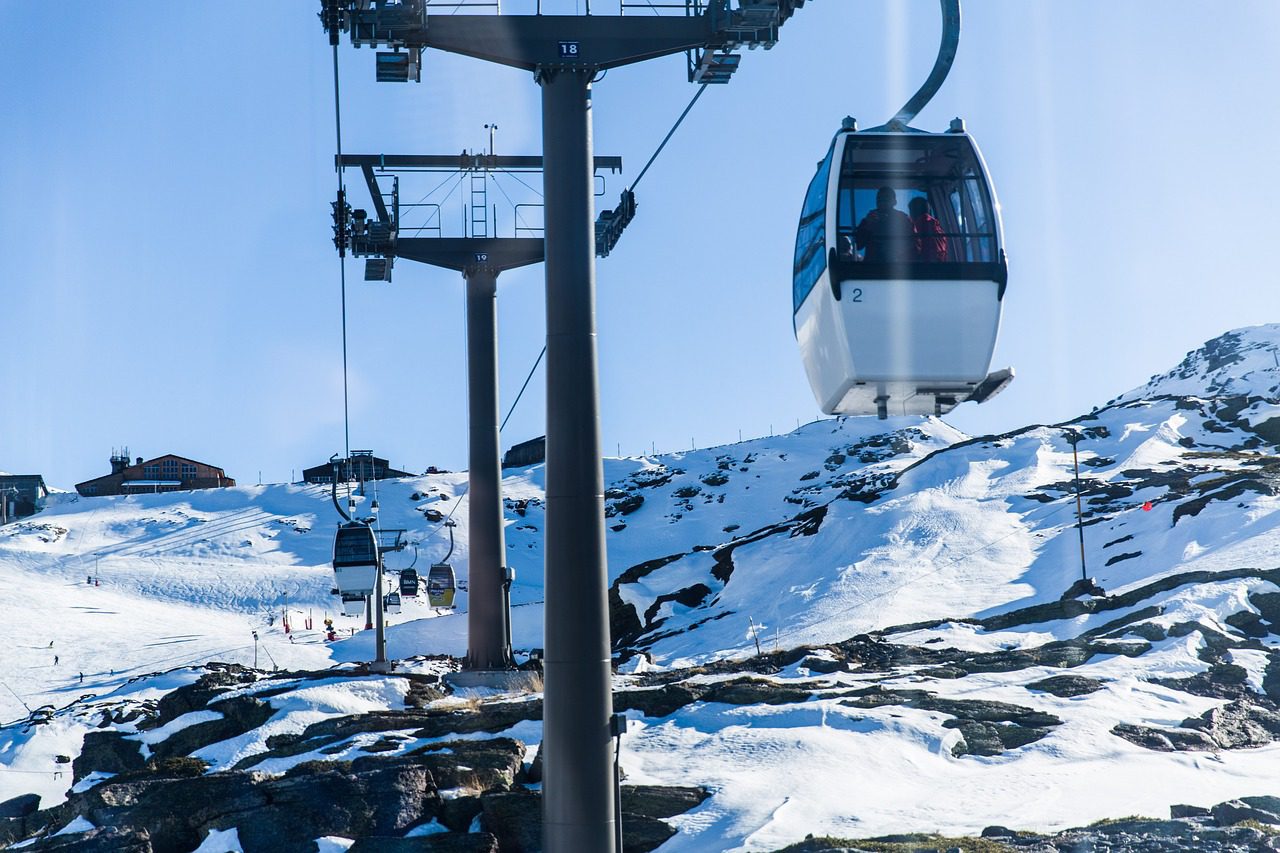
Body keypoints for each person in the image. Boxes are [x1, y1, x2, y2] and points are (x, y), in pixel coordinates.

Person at [854, 187, 915, 263]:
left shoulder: (903, 219)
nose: (882, 202)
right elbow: (858, 245)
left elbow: (912, 244)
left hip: (896, 264)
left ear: (894, 202)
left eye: (886, 199)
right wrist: (868, 226)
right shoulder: (869, 219)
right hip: (871, 266)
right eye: (879, 199)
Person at [909, 196, 948, 262]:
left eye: (910, 211)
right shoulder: (938, 227)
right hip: (941, 267)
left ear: (913, 212)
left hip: (925, 268)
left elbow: (915, 249)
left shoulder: (919, 225)